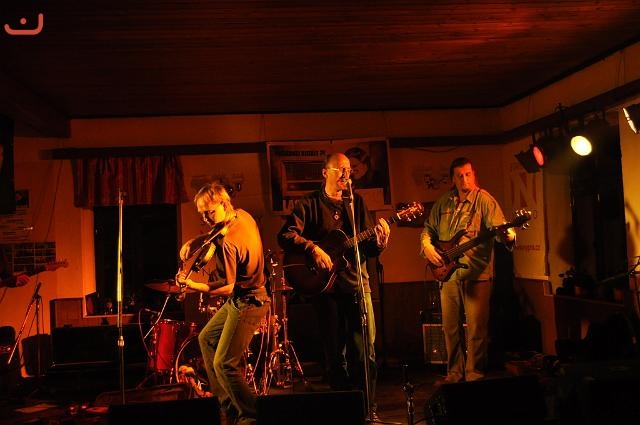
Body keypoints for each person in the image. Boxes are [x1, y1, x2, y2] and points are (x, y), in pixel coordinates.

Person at [277, 152, 390, 418]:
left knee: (364, 352)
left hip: (356, 286)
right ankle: (344, 411)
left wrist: (380, 243)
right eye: (340, 169)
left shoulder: (356, 203)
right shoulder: (309, 204)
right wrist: (313, 248)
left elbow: (367, 248)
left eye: (349, 169)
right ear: (325, 172)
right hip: (325, 290)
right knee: (334, 354)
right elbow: (285, 235)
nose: (346, 174)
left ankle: (368, 408)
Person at [176, 182, 270, 425]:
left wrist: (192, 285)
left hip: (250, 301)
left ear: (224, 203)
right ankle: (227, 406)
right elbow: (220, 229)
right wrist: (195, 241)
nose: (206, 218)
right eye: (202, 214)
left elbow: (227, 287)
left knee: (224, 363)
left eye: (210, 212)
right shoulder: (243, 215)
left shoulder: (228, 244)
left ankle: (249, 415)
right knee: (206, 338)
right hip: (242, 297)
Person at [419, 157, 515, 383]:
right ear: (452, 179)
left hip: (476, 274)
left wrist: (509, 235)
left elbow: (502, 233)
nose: (465, 180)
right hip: (448, 275)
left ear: (474, 175)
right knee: (450, 328)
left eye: (468, 174)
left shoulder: (485, 201)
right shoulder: (444, 202)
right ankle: (454, 373)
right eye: (460, 176)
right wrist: (426, 246)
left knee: (476, 329)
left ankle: (474, 374)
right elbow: (428, 229)